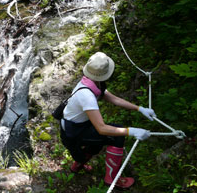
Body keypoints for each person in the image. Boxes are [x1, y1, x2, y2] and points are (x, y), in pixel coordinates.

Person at [60, 52, 156, 189]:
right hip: (73, 133)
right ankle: (112, 179)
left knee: (96, 143)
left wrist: (140, 109)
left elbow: (115, 99)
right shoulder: (86, 95)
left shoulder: (92, 83)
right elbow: (102, 128)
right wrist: (131, 131)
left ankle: (79, 163)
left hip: (76, 127)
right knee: (116, 137)